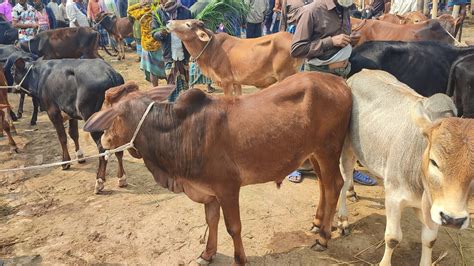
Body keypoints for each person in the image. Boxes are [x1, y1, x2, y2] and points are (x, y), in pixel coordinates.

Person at [288, 0, 376, 186]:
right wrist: (330, 42)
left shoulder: (344, 9)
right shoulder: (312, 11)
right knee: (309, 126)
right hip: (319, 76)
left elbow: (339, 38)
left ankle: (348, 169)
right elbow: (297, 49)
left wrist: (350, 40)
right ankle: (296, 165)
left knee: (343, 125)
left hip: (342, 74)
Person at [153, 0, 192, 102]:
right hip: (169, 55)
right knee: (171, 83)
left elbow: (191, 31)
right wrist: (161, 33)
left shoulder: (185, 12)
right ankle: (172, 107)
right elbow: (154, 33)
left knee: (185, 83)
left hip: (184, 54)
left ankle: (185, 105)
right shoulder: (157, 13)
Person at [128, 1, 166, 86]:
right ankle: (170, 87)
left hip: (147, 44)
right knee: (167, 67)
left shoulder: (140, 12)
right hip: (160, 42)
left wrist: (141, 4)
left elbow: (129, 10)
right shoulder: (158, 9)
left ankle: (155, 88)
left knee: (152, 70)